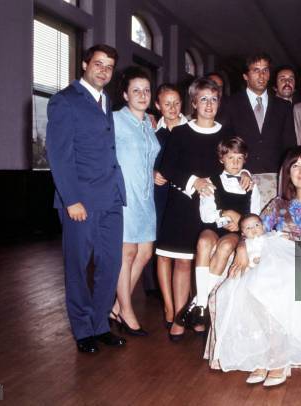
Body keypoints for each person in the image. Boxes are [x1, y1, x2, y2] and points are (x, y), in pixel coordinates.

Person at [205, 146, 301, 387]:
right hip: (272, 252)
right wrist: (241, 248)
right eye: (295, 166)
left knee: (280, 281)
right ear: (287, 173)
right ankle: (263, 355)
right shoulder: (277, 204)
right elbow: (253, 231)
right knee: (245, 283)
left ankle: (278, 359)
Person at [46, 44, 126, 353]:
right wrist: (71, 199)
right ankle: (83, 330)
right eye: (98, 64)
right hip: (80, 200)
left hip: (112, 197)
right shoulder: (64, 101)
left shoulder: (106, 101)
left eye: (109, 66)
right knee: (78, 266)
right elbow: (59, 154)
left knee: (111, 264)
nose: (104, 70)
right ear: (84, 64)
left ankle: (100, 324)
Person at [156, 77, 232, 341]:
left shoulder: (227, 133)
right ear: (194, 103)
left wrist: (243, 172)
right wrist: (194, 182)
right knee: (182, 264)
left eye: (214, 99)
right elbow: (168, 169)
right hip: (183, 206)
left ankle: (200, 314)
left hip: (214, 207)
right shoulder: (181, 133)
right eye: (203, 99)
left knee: (209, 263)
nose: (209, 104)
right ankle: (179, 317)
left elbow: (236, 161)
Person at [177, 137, 261, 329]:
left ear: (245, 160)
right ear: (222, 158)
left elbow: (255, 216)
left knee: (224, 246)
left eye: (240, 158)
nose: (235, 163)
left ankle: (198, 302)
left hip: (237, 231)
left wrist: (239, 221)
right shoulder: (210, 182)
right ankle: (200, 306)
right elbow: (206, 216)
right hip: (215, 226)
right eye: (231, 158)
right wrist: (225, 214)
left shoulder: (250, 185)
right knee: (204, 241)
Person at [109, 67, 159, 336]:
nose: (142, 95)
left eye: (146, 90)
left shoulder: (150, 123)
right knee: (127, 253)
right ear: (125, 94)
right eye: (136, 90)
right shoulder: (115, 120)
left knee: (145, 253)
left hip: (146, 195)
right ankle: (127, 311)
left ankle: (117, 305)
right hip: (124, 194)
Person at [219, 53, 297, 208]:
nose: (261, 75)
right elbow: (225, 142)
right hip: (240, 178)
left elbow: (289, 145)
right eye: (256, 70)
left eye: (265, 70)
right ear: (245, 76)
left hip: (274, 181)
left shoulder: (284, 107)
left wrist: (288, 179)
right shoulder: (230, 104)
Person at [153, 83, 188, 329]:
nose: (172, 108)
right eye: (167, 103)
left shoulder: (192, 129)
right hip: (160, 195)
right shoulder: (152, 131)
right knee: (163, 254)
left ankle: (182, 309)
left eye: (176, 103)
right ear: (158, 106)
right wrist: (152, 171)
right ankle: (168, 305)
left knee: (184, 256)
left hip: (185, 196)